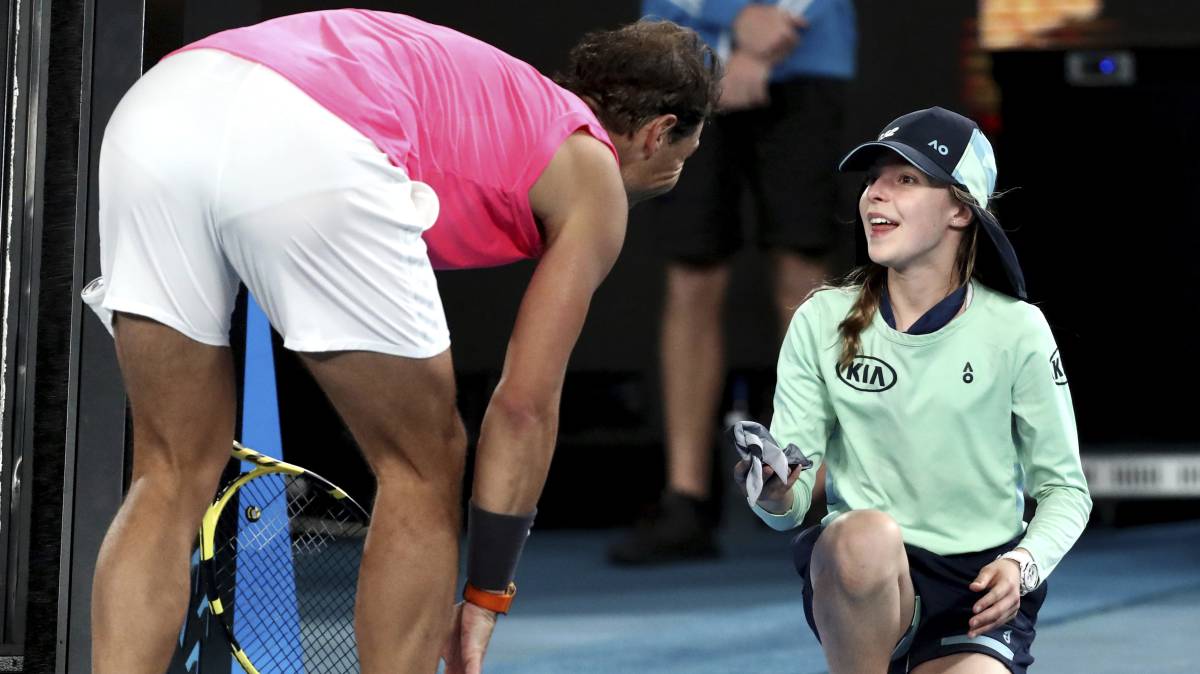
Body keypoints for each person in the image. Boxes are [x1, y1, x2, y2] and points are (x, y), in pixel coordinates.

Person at [80, 10, 719, 674]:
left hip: (160, 110)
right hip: (303, 135)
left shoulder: (492, 97)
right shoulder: (593, 171)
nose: (676, 174)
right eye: (684, 157)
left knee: (169, 470)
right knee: (423, 461)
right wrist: (485, 592)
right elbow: (524, 407)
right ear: (657, 132)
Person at [733, 107, 1092, 673]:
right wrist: (774, 492)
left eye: (906, 180)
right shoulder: (821, 319)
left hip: (977, 590)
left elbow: (1066, 490)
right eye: (873, 178)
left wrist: (1023, 564)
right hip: (867, 576)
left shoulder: (1017, 328)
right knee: (863, 534)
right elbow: (788, 507)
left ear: (959, 209)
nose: (876, 194)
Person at [609, 0, 857, 565]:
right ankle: (687, 499)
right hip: (678, 54)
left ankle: (816, 490)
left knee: (805, 277)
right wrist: (736, 20)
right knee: (692, 275)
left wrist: (763, 36)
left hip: (807, 48)